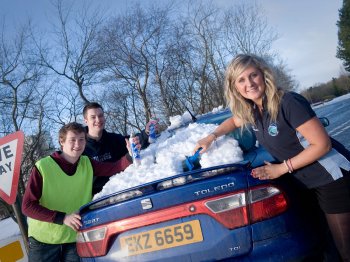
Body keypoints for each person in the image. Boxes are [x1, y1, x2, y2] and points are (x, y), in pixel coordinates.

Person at [194, 54, 350, 261]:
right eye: (241, 80)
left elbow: (322, 144)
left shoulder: (288, 102)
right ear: (234, 87)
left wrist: (281, 169)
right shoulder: (253, 109)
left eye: (253, 75)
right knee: (328, 247)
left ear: (263, 75)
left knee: (345, 249)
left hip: (333, 178)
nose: (249, 83)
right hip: (309, 184)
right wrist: (211, 137)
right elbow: (233, 121)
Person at [22, 122, 134, 262]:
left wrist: (129, 156)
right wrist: (62, 218)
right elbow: (27, 206)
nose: (78, 144)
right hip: (44, 242)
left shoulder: (87, 163)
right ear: (61, 142)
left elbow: (113, 168)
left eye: (81, 139)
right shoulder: (43, 167)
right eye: (72, 140)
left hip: (74, 238)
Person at [83, 102, 157, 194]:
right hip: (97, 198)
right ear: (85, 120)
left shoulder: (114, 139)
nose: (98, 120)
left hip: (122, 191)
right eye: (93, 117)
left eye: (100, 115)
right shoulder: (80, 147)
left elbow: (133, 142)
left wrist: (146, 132)